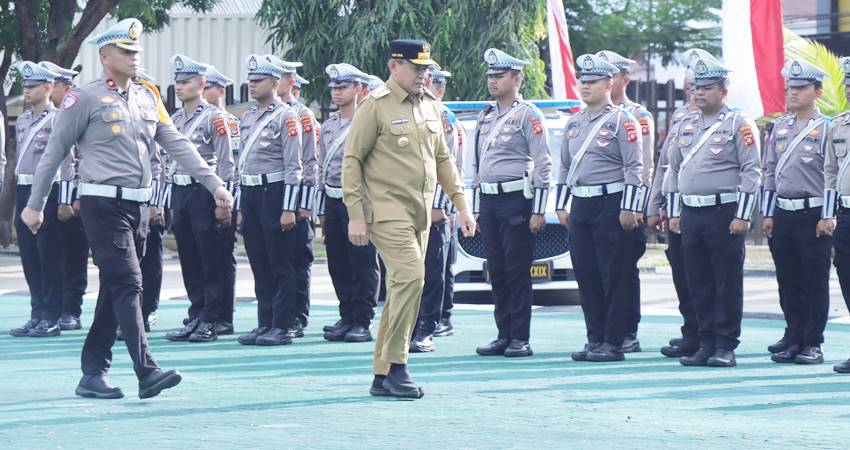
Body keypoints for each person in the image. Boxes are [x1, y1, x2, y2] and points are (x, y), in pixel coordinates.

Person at [21, 18, 233, 399]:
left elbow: (176, 143)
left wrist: (215, 184)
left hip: (138, 206)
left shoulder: (148, 96)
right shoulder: (83, 98)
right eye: (125, 51)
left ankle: (92, 372)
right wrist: (35, 205)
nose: (134, 57)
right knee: (131, 282)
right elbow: (54, 152)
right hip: (102, 204)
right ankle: (146, 370)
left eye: (136, 52)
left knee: (116, 287)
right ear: (105, 57)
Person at [343, 39, 474, 399]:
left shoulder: (430, 105)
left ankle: (382, 374)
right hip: (386, 211)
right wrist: (356, 215)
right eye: (417, 69)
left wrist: (461, 204)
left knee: (404, 286)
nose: (423, 75)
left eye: (427, 69)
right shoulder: (375, 107)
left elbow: (443, 159)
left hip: (420, 214)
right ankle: (399, 366)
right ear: (393, 67)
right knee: (412, 277)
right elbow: (352, 161)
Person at [667, 51, 761, 368]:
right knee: (698, 281)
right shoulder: (685, 125)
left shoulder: (738, 124)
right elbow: (672, 169)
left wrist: (743, 216)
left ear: (724, 90)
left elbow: (752, 172)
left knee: (725, 281)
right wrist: (673, 211)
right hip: (691, 213)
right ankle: (705, 343)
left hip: (724, 213)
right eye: (697, 87)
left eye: (707, 88)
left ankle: (725, 345)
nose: (699, 93)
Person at [555, 53, 643, 363]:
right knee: (587, 274)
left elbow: (635, 167)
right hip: (581, 202)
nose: (585, 86)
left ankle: (613, 341)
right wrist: (561, 203)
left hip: (612, 202)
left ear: (609, 83)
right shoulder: (574, 122)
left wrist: (629, 207)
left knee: (613, 275)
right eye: (583, 81)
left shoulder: (622, 120)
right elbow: (565, 166)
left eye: (592, 82)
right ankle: (594, 338)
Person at [471, 49, 552, 359]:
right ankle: (503, 334)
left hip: (517, 199)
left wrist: (538, 210)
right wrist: (477, 206)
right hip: (490, 201)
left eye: (499, 75)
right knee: (498, 269)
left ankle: (520, 337)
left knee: (517, 270)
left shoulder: (529, 114)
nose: (493, 81)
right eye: (490, 75)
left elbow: (543, 162)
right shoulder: (486, 114)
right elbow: (478, 164)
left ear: (517, 78)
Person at [761, 59, 832, 365]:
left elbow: (832, 174)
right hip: (783, 213)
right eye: (790, 87)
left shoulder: (828, 128)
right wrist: (767, 213)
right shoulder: (778, 127)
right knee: (787, 278)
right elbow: (769, 172)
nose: (793, 93)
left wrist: (827, 215)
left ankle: (812, 341)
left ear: (817, 92)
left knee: (813, 280)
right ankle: (793, 335)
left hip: (813, 214)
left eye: (801, 88)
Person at [162, 54, 235, 343]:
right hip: (180, 191)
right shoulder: (174, 118)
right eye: (177, 82)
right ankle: (197, 313)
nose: (179, 87)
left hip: (205, 193)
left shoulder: (215, 118)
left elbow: (227, 164)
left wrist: (225, 202)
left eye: (186, 82)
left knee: (211, 257)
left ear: (202, 84)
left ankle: (212, 318)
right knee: (189, 256)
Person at [234, 55, 303, 347]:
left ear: (275, 83)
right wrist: (238, 206)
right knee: (259, 262)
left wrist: (289, 208)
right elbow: (240, 165)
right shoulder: (248, 116)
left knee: (280, 263)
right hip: (250, 194)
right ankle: (265, 322)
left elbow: (294, 167)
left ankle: (283, 325)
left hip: (273, 194)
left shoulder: (287, 116)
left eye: (258, 80)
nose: (252, 84)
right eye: (250, 79)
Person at [317, 63, 380, 342]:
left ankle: (362, 320)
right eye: (334, 87)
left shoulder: (367, 122)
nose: (337, 92)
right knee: (338, 262)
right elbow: (320, 166)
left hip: (358, 201)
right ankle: (346, 315)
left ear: (359, 89)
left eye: (343, 87)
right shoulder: (328, 125)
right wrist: (320, 207)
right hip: (332, 200)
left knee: (362, 262)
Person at [597, 50, 654, 353]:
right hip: (599, 203)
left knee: (624, 270)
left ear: (624, 79)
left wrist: (637, 205)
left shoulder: (638, 115)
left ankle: (628, 330)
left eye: (612, 75)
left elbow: (644, 165)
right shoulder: (593, 112)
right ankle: (605, 330)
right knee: (601, 270)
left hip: (627, 202)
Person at [8, 61, 71, 338]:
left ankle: (52, 316)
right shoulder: (22, 120)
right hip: (24, 191)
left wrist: (66, 200)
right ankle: (37, 313)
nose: (27, 91)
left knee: (49, 256)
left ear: (48, 88)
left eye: (33, 87)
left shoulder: (59, 119)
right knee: (29, 256)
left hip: (48, 191)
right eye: (26, 86)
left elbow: (68, 161)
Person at [410, 65, 463, 352]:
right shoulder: (408, 111)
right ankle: (409, 325)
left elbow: (449, 166)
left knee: (433, 272)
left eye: (432, 80)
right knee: (407, 272)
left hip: (433, 208)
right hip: (408, 204)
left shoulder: (444, 117)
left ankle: (427, 328)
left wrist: (441, 206)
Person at [648, 73, 700, 357]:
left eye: (701, 87)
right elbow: (665, 167)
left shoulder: (725, 121)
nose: (695, 92)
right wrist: (656, 205)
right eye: (690, 87)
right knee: (682, 273)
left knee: (703, 276)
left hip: (703, 208)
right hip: (675, 209)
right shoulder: (679, 118)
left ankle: (710, 334)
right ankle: (691, 331)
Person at [268, 54, 319, 336]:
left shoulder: (301, 114)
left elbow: (310, 162)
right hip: (277, 197)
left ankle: (297, 316)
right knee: (278, 261)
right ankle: (278, 317)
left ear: (288, 81)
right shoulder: (267, 112)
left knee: (298, 261)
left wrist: (304, 203)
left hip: (296, 200)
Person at [39, 61, 90, 332]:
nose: (52, 92)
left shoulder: (79, 113)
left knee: (74, 253)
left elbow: (78, 160)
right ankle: (55, 309)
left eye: (55, 85)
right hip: (53, 190)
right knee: (53, 254)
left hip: (73, 193)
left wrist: (71, 198)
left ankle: (72, 310)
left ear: (66, 87)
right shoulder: (51, 117)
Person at [203, 65, 240, 335]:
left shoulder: (230, 123)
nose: (203, 92)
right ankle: (203, 312)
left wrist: (230, 204)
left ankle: (222, 315)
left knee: (221, 257)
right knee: (201, 259)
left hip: (223, 195)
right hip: (199, 194)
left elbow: (232, 167)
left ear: (220, 91)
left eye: (207, 87)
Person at [825, 57, 850, 374]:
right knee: (846, 275)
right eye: (848, 83)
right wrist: (829, 213)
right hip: (846, 212)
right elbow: (830, 173)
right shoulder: (838, 125)